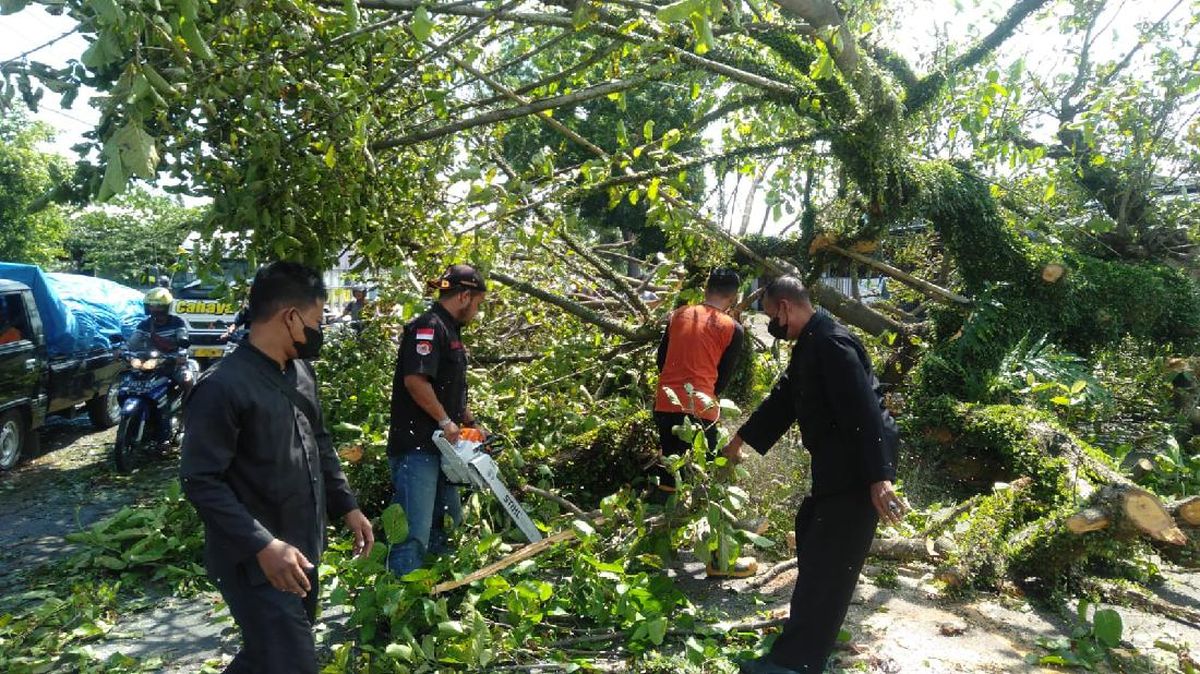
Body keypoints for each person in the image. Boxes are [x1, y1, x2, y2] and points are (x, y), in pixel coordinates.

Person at [180, 261, 374, 674]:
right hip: (255, 563)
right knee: (294, 662)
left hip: (302, 551)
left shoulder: (301, 372)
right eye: (317, 320)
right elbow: (200, 481)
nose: (320, 331)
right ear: (290, 317)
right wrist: (262, 545)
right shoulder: (222, 387)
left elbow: (319, 442)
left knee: (267, 657)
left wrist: (347, 506)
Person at [723, 276, 904, 674]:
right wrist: (740, 439)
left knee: (828, 563)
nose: (774, 326)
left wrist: (879, 477)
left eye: (773, 317)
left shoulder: (832, 344)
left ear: (786, 307)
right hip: (836, 466)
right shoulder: (810, 344)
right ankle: (800, 647)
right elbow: (785, 399)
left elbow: (863, 412)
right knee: (812, 538)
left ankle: (797, 662)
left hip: (859, 469)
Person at [386, 264, 487, 576]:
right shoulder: (427, 328)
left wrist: (470, 422)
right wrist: (446, 422)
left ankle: (439, 597)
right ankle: (401, 607)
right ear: (464, 296)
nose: (477, 311)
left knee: (447, 526)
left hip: (442, 450)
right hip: (418, 447)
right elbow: (416, 381)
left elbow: (448, 388)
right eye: (478, 303)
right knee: (413, 534)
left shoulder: (450, 330)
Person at [650, 268, 744, 494]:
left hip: (664, 404)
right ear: (733, 298)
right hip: (701, 409)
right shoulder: (733, 328)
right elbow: (722, 380)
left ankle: (661, 515)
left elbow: (660, 360)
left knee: (671, 469)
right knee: (704, 475)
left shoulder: (678, 315)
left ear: (705, 289)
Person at [129, 288, 193, 430]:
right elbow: (133, 341)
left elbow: (183, 337)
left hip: (173, 363)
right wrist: (122, 350)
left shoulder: (177, 322)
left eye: (157, 306)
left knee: (187, 381)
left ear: (165, 307)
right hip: (150, 363)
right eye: (151, 305)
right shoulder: (144, 324)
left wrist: (181, 353)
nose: (154, 309)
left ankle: (187, 419)